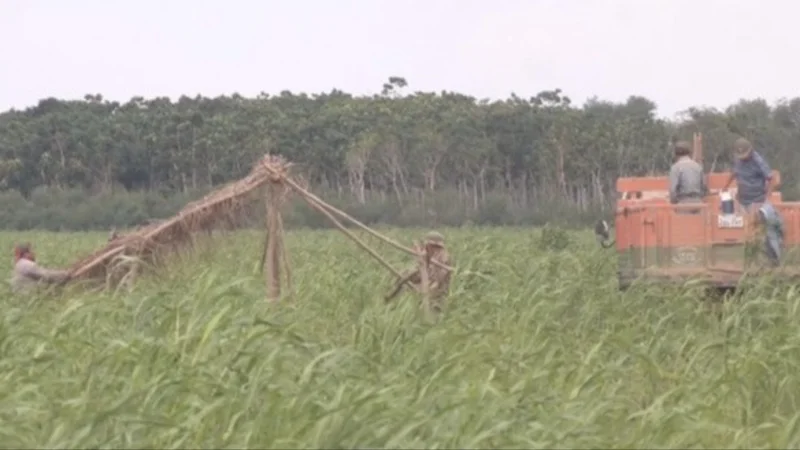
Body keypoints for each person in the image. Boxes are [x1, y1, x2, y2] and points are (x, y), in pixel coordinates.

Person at [385, 231, 454, 312]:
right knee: (402, 283)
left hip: (437, 289)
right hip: (427, 283)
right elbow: (419, 271)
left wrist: (425, 291)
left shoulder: (443, 257)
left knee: (407, 290)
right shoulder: (429, 255)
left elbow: (438, 281)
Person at [722, 138, 772, 212]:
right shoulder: (738, 160)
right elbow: (734, 172)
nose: (743, 158)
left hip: (757, 201)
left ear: (750, 151)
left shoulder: (758, 161)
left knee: (754, 222)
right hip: (742, 200)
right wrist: (725, 187)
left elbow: (770, 178)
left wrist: (766, 199)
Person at [668, 141, 707, 205]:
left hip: (683, 203)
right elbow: (704, 187)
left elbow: (673, 191)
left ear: (675, 153)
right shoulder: (698, 166)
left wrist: (674, 202)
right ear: (689, 152)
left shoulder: (675, 167)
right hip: (698, 203)